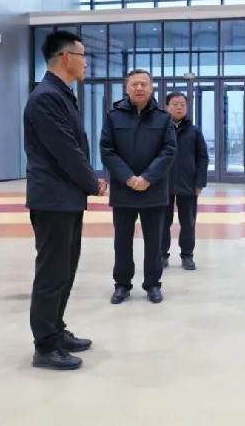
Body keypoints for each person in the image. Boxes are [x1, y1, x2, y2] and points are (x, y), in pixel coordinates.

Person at [24, 30, 107, 371]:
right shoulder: (46, 97)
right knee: (52, 273)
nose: (87, 63)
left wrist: (86, 182)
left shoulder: (61, 94)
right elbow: (65, 149)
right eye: (84, 56)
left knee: (65, 270)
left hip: (66, 198)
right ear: (66, 57)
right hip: (53, 199)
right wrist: (92, 181)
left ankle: (56, 332)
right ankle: (45, 346)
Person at [100, 70, 177, 305]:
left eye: (144, 84)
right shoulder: (113, 116)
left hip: (154, 190)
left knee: (154, 242)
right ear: (127, 88)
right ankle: (122, 284)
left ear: (151, 88)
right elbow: (106, 150)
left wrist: (147, 178)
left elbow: (169, 150)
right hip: (124, 190)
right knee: (122, 242)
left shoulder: (163, 118)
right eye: (134, 84)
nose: (139, 88)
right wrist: (128, 178)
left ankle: (153, 284)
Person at [161, 92, 209, 271]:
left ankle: (187, 255)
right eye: (175, 104)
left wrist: (199, 182)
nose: (179, 107)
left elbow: (202, 158)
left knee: (188, 222)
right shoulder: (160, 129)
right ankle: (161, 255)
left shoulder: (194, 131)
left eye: (182, 104)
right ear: (167, 107)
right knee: (162, 222)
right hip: (163, 184)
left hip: (188, 184)